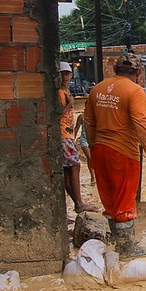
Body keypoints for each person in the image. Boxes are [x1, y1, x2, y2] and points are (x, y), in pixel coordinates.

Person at [85, 53, 146, 259]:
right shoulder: (135, 90)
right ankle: (128, 249)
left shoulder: (97, 89)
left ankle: (119, 243)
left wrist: (93, 148)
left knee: (110, 199)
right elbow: (141, 123)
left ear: (115, 69)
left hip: (100, 149)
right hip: (122, 151)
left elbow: (89, 122)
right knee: (124, 199)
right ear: (138, 72)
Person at [58, 61, 97, 214]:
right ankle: (79, 202)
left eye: (66, 73)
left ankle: (77, 202)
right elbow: (57, 115)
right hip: (64, 134)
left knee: (69, 169)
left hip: (68, 135)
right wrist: (70, 104)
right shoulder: (60, 93)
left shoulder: (66, 92)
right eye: (62, 74)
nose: (64, 76)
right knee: (75, 166)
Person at [74, 112, 95, 184]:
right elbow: (76, 128)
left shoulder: (96, 116)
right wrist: (72, 140)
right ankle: (93, 177)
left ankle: (96, 177)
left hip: (93, 139)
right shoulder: (81, 117)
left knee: (95, 158)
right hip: (84, 140)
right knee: (89, 157)